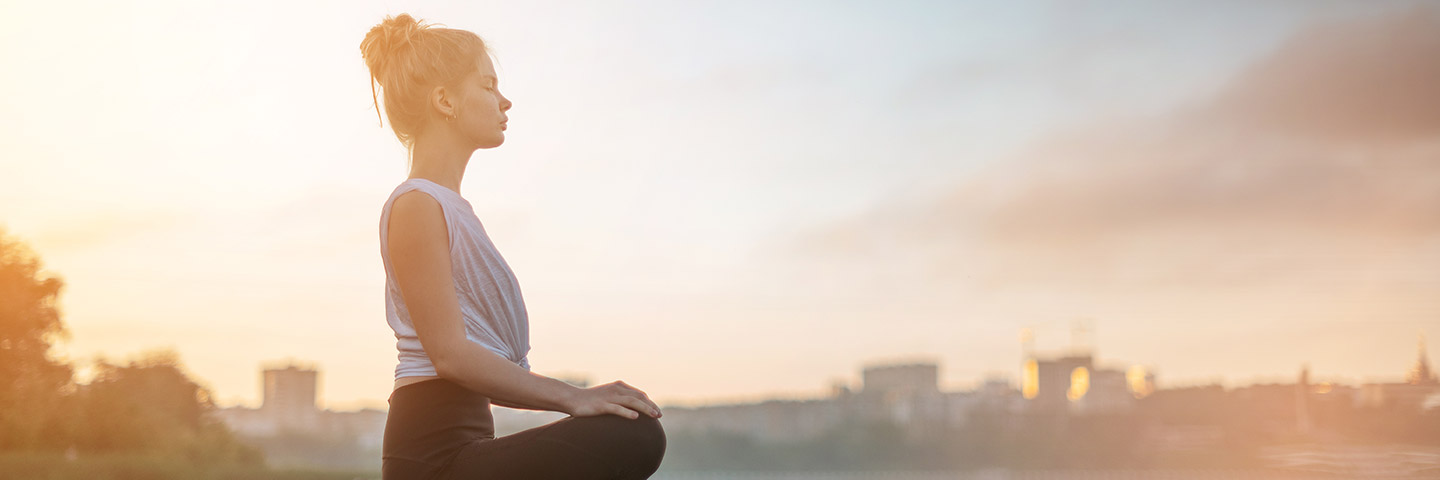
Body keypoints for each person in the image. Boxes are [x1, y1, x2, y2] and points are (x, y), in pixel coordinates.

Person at [360, 13, 666, 480]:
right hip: (432, 458)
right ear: (444, 100)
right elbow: (450, 356)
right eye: (487, 85)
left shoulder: (451, 208)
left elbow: (478, 364)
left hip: (467, 441)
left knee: (634, 428)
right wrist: (574, 398)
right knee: (634, 434)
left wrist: (575, 403)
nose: (505, 101)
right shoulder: (417, 205)